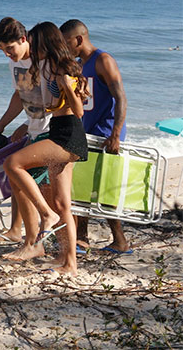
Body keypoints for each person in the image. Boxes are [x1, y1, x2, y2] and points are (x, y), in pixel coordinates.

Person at [2, 22, 88, 274]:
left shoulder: (63, 69)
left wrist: (68, 85)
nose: (34, 49)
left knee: (13, 164)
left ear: (46, 45)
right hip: (60, 130)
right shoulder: (46, 67)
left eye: (36, 44)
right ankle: (68, 262)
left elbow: (79, 110)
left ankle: (45, 216)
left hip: (68, 135)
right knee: (63, 204)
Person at [61, 19, 130, 254]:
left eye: (66, 42)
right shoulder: (80, 65)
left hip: (107, 135)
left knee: (105, 191)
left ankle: (118, 241)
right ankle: (83, 238)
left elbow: (121, 98)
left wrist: (116, 134)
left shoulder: (103, 60)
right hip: (88, 134)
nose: (64, 47)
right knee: (80, 187)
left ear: (78, 39)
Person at [0, 17, 52, 244]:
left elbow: (57, 98)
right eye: (3, 49)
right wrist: (0, 125)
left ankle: (33, 239)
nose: (7, 53)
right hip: (34, 128)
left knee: (20, 172)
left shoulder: (44, 60)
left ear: (24, 39)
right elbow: (20, 96)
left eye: (10, 48)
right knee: (17, 178)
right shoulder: (14, 64)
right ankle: (20, 232)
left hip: (51, 130)